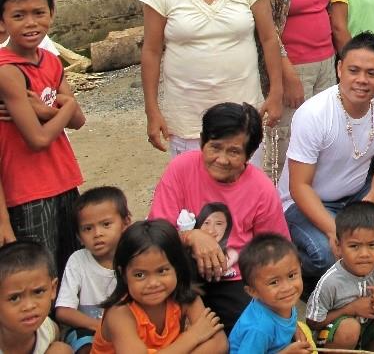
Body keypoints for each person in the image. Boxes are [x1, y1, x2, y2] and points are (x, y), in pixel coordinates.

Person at [138, 0, 283, 156]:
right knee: (195, 193)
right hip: (187, 119)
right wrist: (152, 110)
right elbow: (151, 51)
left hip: (243, 114)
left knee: (244, 191)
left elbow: (270, 39)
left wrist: (275, 93)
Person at [149, 103, 290, 331]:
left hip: (234, 279)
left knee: (248, 333)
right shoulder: (181, 168)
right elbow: (155, 230)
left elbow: (274, 250)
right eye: (215, 147)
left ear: (249, 154)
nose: (222, 159)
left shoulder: (261, 189)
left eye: (234, 151)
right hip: (180, 273)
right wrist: (191, 236)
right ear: (203, 141)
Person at [280, 34, 374, 279]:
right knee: (328, 253)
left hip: (357, 194)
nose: (362, 80)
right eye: (354, 70)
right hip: (306, 202)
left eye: (372, 73)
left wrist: (370, 202)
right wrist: (337, 231)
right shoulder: (314, 114)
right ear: (339, 68)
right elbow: (299, 186)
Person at [0, 0, 85, 275]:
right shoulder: (7, 71)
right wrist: (66, 106)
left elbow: (78, 121)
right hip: (27, 191)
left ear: (51, 13)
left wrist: (49, 111)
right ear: (3, 22)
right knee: (39, 274)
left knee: (72, 268)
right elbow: (37, 139)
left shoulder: (49, 60)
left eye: (39, 13)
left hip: (63, 179)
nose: (31, 23)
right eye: (18, 15)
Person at [246, 0, 335, 179]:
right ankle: (279, 212)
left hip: (326, 62)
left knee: (321, 139)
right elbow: (266, 28)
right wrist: (286, 76)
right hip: (293, 67)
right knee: (286, 144)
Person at [90, 220, 227, 354]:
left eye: (162, 271)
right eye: (139, 275)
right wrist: (192, 337)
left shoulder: (185, 297)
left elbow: (219, 344)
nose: (153, 283)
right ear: (123, 274)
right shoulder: (120, 313)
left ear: (177, 268)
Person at [306, 203, 374, 352]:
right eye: (354, 246)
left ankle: (373, 347)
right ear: (338, 246)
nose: (364, 254)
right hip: (336, 336)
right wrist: (351, 309)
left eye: (373, 245)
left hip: (367, 325)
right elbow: (312, 322)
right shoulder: (330, 282)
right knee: (349, 328)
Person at [56, 188, 131, 353]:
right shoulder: (78, 261)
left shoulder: (134, 257)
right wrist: (101, 327)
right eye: (88, 229)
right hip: (88, 329)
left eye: (106, 224)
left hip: (129, 327)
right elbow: (63, 311)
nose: (97, 234)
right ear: (78, 237)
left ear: (126, 223)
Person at [228, 235, 312, 354]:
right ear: (253, 291)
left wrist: (295, 330)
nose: (287, 288)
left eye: (291, 275)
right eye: (274, 282)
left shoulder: (280, 301)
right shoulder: (260, 329)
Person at [0, 241, 71, 354]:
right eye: (14, 298)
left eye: (38, 292)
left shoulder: (46, 328)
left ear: (53, 289)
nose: (29, 306)